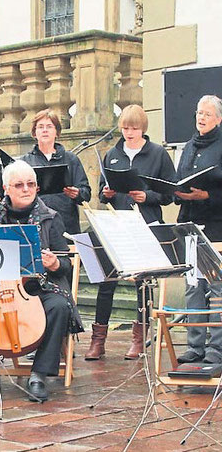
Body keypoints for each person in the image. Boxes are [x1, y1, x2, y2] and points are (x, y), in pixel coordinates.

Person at [0, 160, 73, 403]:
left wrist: (55, 264)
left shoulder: (50, 217)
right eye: (19, 185)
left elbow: (66, 264)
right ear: (7, 189)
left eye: (31, 184)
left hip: (36, 287)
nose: (26, 189)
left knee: (59, 307)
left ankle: (39, 375)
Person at [86, 104, 176, 361]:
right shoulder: (112, 153)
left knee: (142, 283)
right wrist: (106, 193)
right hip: (116, 224)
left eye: (134, 128)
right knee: (107, 280)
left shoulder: (157, 154)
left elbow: (169, 194)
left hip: (144, 223)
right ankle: (98, 339)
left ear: (143, 129)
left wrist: (147, 195)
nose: (129, 133)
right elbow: (102, 189)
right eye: (125, 128)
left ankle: (139, 338)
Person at [175, 95, 222, 365]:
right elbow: (181, 177)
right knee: (193, 285)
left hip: (216, 226)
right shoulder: (189, 146)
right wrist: (177, 192)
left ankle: (216, 349)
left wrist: (208, 196)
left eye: (206, 114)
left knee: (216, 287)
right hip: (190, 224)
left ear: (218, 118)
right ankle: (195, 345)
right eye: (198, 113)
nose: (200, 118)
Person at [20, 108, 91, 235]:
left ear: (57, 132)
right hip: (35, 222)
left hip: (66, 223)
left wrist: (77, 193)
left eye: (49, 126)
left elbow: (86, 193)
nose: (45, 130)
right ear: (34, 133)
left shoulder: (71, 159)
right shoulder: (24, 162)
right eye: (40, 127)